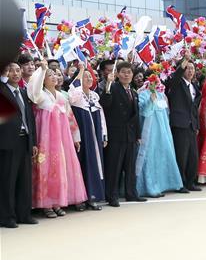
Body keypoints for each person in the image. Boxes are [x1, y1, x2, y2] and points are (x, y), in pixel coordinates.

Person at [28, 61, 88, 218]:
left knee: (60, 169)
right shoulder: (40, 96)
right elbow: (33, 91)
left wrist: (76, 137)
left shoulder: (61, 96)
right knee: (46, 169)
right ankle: (46, 203)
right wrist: (41, 70)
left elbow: (70, 118)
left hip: (62, 140)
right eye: (49, 75)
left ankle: (57, 201)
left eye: (55, 74)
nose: (54, 77)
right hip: (45, 140)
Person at [100, 61, 146, 207]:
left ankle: (131, 193)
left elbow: (136, 115)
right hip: (116, 134)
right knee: (114, 167)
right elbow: (105, 103)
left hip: (130, 135)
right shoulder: (112, 88)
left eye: (129, 72)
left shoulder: (133, 92)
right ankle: (112, 196)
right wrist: (108, 85)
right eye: (124, 72)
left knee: (130, 166)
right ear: (118, 74)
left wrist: (138, 135)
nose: (127, 75)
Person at [0, 62, 38, 228]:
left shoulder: (23, 92)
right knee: (8, 180)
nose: (14, 73)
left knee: (25, 179)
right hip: (8, 142)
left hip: (25, 140)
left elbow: (29, 119)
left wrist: (33, 142)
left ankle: (24, 214)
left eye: (17, 70)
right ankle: (7, 217)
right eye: (10, 70)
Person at [136, 77, 183, 197]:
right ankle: (150, 187)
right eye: (152, 81)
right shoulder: (142, 95)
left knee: (163, 157)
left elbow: (166, 114)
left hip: (163, 132)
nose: (155, 83)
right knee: (150, 158)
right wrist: (150, 101)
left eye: (157, 81)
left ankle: (165, 185)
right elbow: (144, 112)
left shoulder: (162, 95)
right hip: (150, 133)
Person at [67, 65, 106, 209]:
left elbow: (101, 116)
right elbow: (73, 92)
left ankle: (93, 196)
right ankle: (80, 198)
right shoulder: (76, 96)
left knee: (95, 163)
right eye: (85, 76)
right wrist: (81, 70)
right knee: (83, 163)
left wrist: (104, 135)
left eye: (90, 76)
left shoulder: (95, 96)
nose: (89, 78)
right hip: (82, 136)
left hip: (95, 135)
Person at [164, 58, 202, 193]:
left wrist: (196, 125)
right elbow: (174, 78)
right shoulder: (177, 84)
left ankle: (190, 182)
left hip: (191, 125)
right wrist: (183, 62)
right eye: (188, 68)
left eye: (192, 68)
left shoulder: (194, 87)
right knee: (181, 156)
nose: (190, 71)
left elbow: (194, 108)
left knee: (193, 156)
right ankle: (180, 183)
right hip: (180, 124)